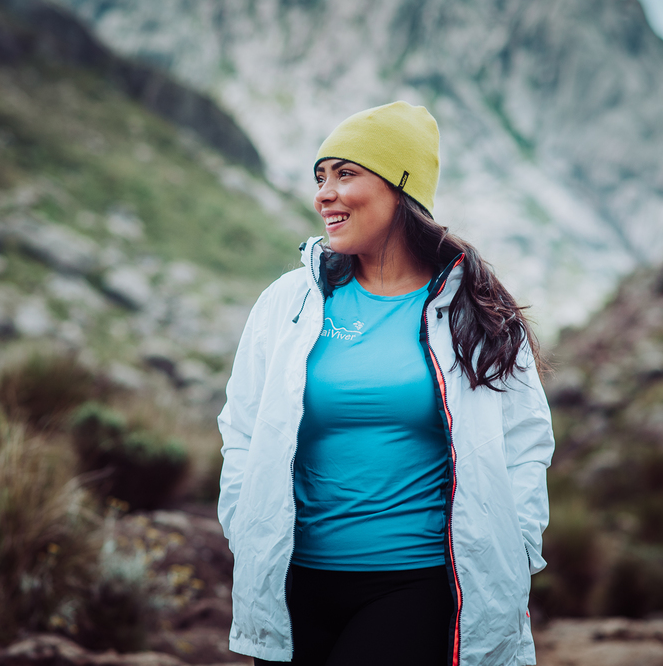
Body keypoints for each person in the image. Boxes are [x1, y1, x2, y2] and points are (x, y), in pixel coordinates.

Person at [217, 101, 554, 666]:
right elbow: (242, 429)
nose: (325, 193)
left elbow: (525, 443)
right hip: (292, 581)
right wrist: (243, 528)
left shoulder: (476, 310)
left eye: (345, 173)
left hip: (418, 582)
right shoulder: (288, 303)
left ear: (401, 188)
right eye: (320, 177)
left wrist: (516, 549)